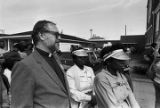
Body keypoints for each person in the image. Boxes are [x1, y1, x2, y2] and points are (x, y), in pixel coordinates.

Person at [11, 20, 71, 108]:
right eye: (56, 34)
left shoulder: (55, 58)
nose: (59, 38)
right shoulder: (25, 66)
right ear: (42, 35)